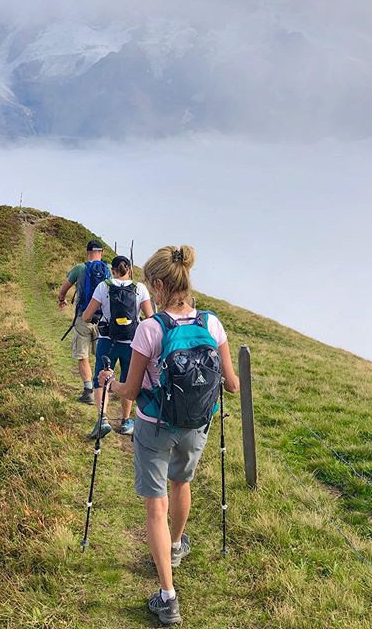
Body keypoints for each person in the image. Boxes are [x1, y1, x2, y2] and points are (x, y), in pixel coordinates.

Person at [99, 245, 239, 626]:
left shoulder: (151, 329)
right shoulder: (212, 323)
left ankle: (168, 595)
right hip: (196, 426)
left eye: (150, 284)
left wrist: (110, 382)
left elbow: (129, 391)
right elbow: (232, 385)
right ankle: (176, 545)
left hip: (153, 425)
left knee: (154, 505)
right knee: (181, 484)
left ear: (159, 284)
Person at [81, 255, 153, 438]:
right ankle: (126, 422)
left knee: (101, 379)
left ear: (112, 270)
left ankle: (102, 419)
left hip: (107, 341)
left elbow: (87, 316)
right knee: (128, 380)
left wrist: (98, 318)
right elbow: (151, 319)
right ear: (129, 269)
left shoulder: (103, 286)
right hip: (133, 343)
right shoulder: (140, 288)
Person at [58, 240, 110, 405]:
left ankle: (88, 391)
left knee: (83, 355)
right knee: (102, 356)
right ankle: (104, 387)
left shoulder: (80, 268)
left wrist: (62, 300)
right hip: (105, 320)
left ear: (87, 252)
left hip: (83, 318)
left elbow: (63, 289)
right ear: (101, 253)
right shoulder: (109, 269)